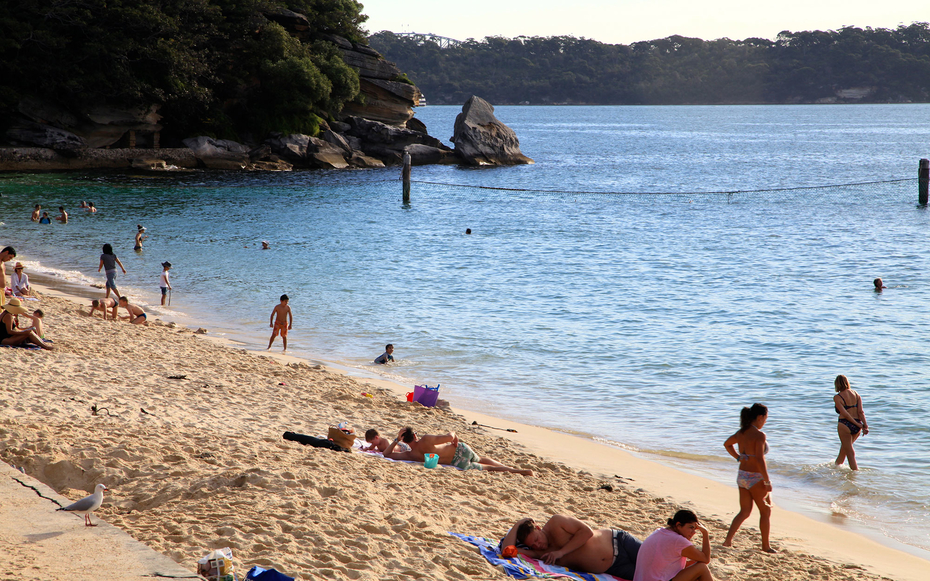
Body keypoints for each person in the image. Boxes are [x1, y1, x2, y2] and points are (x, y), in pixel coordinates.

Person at [501, 515, 641, 578]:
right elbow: (507, 551)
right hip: (614, 567)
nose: (538, 545)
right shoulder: (540, 553)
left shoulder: (556, 523)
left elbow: (587, 532)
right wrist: (519, 522)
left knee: (662, 561)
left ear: (538, 527)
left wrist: (561, 552)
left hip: (619, 542)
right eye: (533, 545)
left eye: (537, 539)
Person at [722, 403, 775, 552]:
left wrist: (738, 458)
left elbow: (727, 444)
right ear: (759, 417)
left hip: (742, 476)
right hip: (756, 478)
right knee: (765, 512)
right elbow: (759, 459)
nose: (765, 422)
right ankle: (765, 546)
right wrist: (767, 481)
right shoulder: (759, 435)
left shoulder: (741, 432)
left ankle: (727, 541)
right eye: (765, 418)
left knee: (744, 512)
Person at [384, 427, 533, 476]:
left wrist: (396, 440)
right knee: (481, 458)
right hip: (460, 449)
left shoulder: (411, 455)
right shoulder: (427, 439)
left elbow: (387, 454)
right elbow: (450, 437)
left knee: (488, 468)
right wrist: (454, 434)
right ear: (415, 435)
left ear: (404, 440)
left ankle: (520, 472)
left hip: (457, 462)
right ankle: (514, 469)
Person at [633, 510, 713, 581]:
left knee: (694, 566)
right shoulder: (678, 540)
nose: (693, 532)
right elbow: (706, 559)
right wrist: (705, 533)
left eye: (694, 529)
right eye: (691, 527)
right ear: (678, 525)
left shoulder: (660, 531)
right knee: (702, 567)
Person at [834, 374, 868, 470]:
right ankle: (835, 468)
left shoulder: (837, 397)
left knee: (849, 451)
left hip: (845, 424)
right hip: (857, 425)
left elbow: (845, 414)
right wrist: (864, 425)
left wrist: (860, 425)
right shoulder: (856, 394)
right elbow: (861, 412)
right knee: (844, 449)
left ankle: (854, 473)